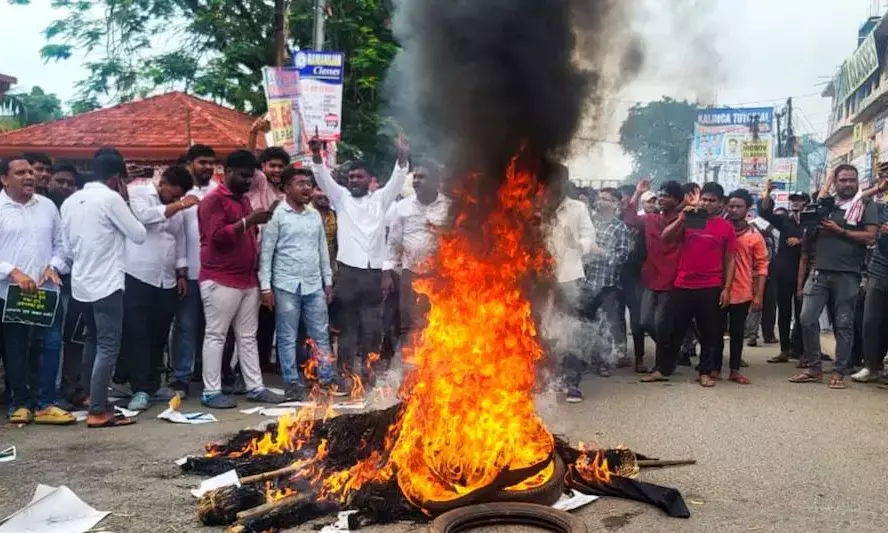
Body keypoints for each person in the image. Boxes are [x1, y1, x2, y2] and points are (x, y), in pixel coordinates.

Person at [309, 135, 410, 379]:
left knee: (373, 328)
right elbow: (322, 176)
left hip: (373, 274)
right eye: (351, 177)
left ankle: (368, 374)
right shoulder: (341, 198)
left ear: (369, 180)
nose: (354, 180)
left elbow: (397, 180)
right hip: (348, 273)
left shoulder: (380, 199)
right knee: (347, 328)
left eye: (359, 177)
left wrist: (403, 155)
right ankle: (345, 376)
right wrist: (315, 154)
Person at [61, 154, 147, 428]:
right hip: (107, 283)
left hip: (82, 283)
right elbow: (139, 234)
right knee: (108, 346)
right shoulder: (111, 198)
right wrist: (125, 199)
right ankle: (98, 410)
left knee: (93, 342)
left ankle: (90, 396)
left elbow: (66, 247)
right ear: (115, 179)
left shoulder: (71, 201)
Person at [197, 150, 285, 409]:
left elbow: (249, 233)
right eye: (244, 177)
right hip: (220, 278)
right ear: (228, 172)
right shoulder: (213, 200)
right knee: (216, 335)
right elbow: (216, 237)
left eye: (251, 177)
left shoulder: (243, 199)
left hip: (247, 279)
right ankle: (211, 391)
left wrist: (254, 221)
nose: (248, 182)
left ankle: (255, 387)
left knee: (248, 336)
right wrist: (249, 221)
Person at [0, 155, 74, 425]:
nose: (29, 176)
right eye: (20, 172)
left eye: (30, 171)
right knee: (16, 348)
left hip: (46, 293)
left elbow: (62, 245)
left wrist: (53, 266)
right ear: (4, 179)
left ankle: (45, 403)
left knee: (51, 345)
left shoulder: (47, 207)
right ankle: (20, 403)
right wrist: (13, 271)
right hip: (10, 294)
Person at [790, 165, 878, 389]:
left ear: (858, 182)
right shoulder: (825, 206)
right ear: (835, 182)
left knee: (843, 324)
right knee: (807, 319)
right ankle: (814, 368)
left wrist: (841, 231)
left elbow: (870, 237)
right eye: (843, 180)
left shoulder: (865, 205)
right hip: (819, 271)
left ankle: (839, 372)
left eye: (852, 180)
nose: (847, 184)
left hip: (848, 274)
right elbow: (809, 230)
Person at [259, 167, 341, 400]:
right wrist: (265, 287)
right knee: (286, 335)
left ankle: (326, 378)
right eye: (300, 183)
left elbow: (322, 250)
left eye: (308, 183)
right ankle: (292, 382)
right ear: (286, 188)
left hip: (314, 284)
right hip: (286, 285)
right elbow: (267, 253)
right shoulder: (277, 216)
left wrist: (327, 281)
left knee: (320, 334)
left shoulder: (314, 215)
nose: (307, 188)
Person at [644, 182, 736, 387]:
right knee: (671, 331)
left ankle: (704, 372)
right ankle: (663, 369)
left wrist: (727, 288)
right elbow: (665, 237)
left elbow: (730, 259)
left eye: (712, 201)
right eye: (704, 199)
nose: (707, 203)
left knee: (709, 333)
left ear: (721, 204)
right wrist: (682, 218)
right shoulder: (692, 219)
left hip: (711, 285)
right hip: (682, 284)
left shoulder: (725, 227)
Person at [122, 166, 196, 410]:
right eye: (170, 194)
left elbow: (180, 239)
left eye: (177, 196)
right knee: (138, 334)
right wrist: (179, 205)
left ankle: (153, 385)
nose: (172, 199)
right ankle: (139, 389)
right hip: (138, 274)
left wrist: (182, 272)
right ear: (161, 182)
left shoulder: (178, 204)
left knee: (159, 334)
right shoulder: (138, 192)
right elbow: (144, 217)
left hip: (167, 277)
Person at [543, 164, 597, 403]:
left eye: (556, 181)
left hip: (569, 277)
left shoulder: (577, 208)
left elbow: (589, 237)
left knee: (571, 330)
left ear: (565, 183)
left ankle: (572, 382)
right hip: (539, 280)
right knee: (543, 330)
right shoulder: (535, 207)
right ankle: (548, 379)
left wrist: (577, 244)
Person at [383, 161, 451, 341]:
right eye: (415, 177)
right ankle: (409, 364)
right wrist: (387, 273)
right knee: (408, 322)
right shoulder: (402, 206)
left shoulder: (449, 207)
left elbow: (457, 241)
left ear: (435, 180)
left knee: (439, 321)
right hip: (410, 273)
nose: (416, 181)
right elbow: (394, 242)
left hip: (439, 275)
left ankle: (435, 364)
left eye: (422, 177)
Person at [170, 144, 217, 395]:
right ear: (190, 164)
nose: (207, 167)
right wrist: (180, 270)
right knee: (186, 326)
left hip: (214, 272)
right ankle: (181, 377)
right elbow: (177, 235)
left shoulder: (219, 192)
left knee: (213, 328)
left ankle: (208, 374)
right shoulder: (180, 194)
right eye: (202, 162)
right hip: (189, 272)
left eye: (211, 162)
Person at [624, 180, 684, 358]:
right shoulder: (650, 219)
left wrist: (689, 208)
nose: (661, 199)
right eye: (660, 195)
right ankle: (672, 351)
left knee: (662, 322)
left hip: (672, 279)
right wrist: (637, 192)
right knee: (645, 322)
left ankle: (665, 360)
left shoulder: (684, 220)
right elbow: (630, 217)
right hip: (650, 277)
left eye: (666, 196)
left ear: (676, 200)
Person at [714, 189, 768, 384]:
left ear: (747, 209)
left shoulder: (755, 236)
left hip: (742, 292)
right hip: (718, 289)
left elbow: (762, 267)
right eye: (731, 206)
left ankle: (734, 370)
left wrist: (759, 296)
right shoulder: (719, 229)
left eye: (739, 206)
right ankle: (715, 368)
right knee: (715, 331)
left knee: (737, 333)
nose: (734, 209)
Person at [45, 164, 87, 411]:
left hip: (75, 284)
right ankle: (46, 391)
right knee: (48, 341)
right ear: (49, 180)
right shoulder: (42, 205)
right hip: (45, 284)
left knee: (73, 339)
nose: (64, 186)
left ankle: (70, 389)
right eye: (60, 181)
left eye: (69, 183)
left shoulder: (80, 208)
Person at [584, 187, 631, 376]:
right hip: (586, 283)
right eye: (600, 198)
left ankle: (604, 363)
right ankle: (587, 360)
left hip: (608, 286)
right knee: (586, 322)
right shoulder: (590, 223)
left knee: (606, 325)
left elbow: (622, 257)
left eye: (606, 199)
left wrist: (601, 253)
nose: (601, 201)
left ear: (616, 204)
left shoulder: (621, 228)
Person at [759, 186, 808, 363]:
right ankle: (784, 350)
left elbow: (818, 239)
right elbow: (764, 213)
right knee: (784, 312)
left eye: (800, 200)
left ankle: (801, 351)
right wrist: (767, 192)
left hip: (805, 273)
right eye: (793, 199)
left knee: (804, 313)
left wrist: (801, 241)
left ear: (806, 203)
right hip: (784, 271)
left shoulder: (811, 221)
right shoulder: (784, 220)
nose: (796, 203)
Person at [853, 202, 888, 382]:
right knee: (870, 321)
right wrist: (877, 188)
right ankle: (870, 366)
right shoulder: (881, 209)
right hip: (879, 271)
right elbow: (858, 201)